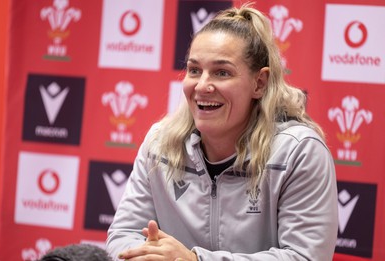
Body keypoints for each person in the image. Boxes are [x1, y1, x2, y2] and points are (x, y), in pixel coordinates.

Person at [106, 4, 338, 261]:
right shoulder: (160, 143)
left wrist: (195, 260)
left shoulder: (299, 151)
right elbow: (123, 234)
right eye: (194, 70)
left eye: (222, 72)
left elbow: (305, 257)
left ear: (259, 83)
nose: (202, 85)